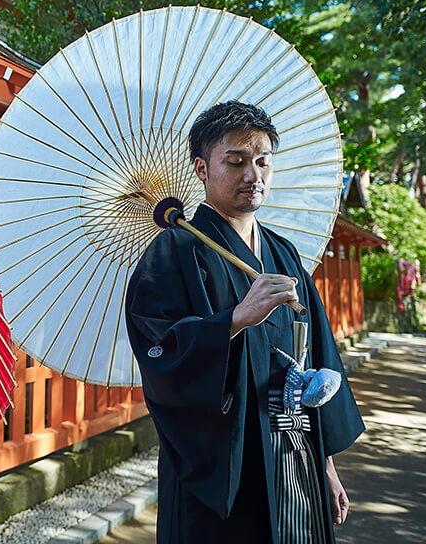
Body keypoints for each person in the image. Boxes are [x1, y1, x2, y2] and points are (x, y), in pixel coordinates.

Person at [124, 101, 364, 544]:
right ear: (201, 168)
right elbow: (159, 350)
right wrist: (234, 319)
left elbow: (315, 358)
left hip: (294, 452)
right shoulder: (174, 251)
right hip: (223, 461)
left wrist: (325, 465)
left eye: (262, 161)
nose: (253, 175)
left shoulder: (283, 252)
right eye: (235, 162)